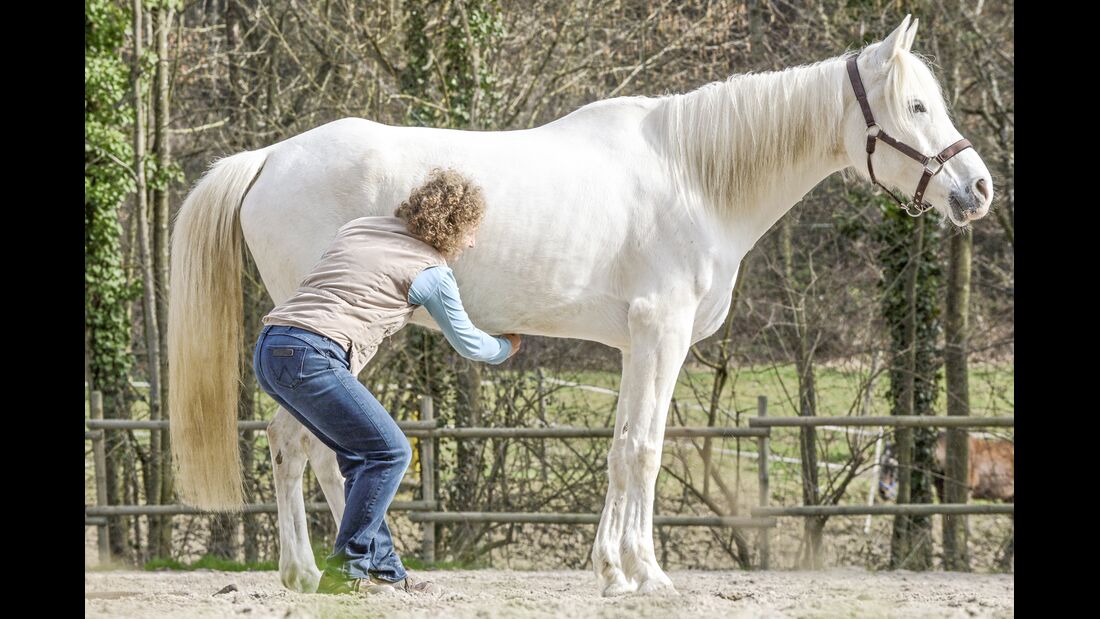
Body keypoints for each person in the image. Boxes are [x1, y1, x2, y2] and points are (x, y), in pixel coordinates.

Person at [253, 167, 521, 594]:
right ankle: (345, 572)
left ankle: (387, 572)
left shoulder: (359, 227)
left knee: (363, 459)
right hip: (314, 356)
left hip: (271, 348)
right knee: (392, 453)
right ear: (452, 226)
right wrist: (507, 346)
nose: (473, 243)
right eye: (472, 231)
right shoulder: (432, 273)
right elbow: (469, 343)